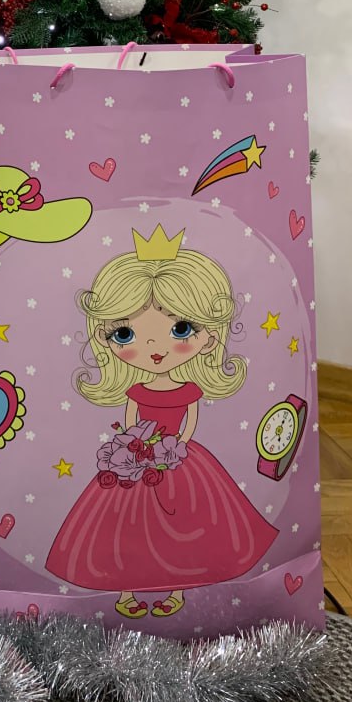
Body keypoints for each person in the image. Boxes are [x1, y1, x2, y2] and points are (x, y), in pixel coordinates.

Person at [45, 225, 277, 619]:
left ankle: (177, 591)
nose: (154, 349)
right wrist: (133, 447)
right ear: (104, 336)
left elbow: (189, 422)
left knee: (187, 523)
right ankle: (126, 592)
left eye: (181, 329)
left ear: (210, 335)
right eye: (125, 333)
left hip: (179, 459)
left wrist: (177, 446)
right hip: (136, 459)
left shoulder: (188, 389)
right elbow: (131, 420)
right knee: (126, 525)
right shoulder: (137, 390)